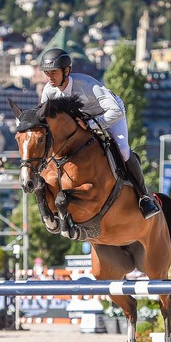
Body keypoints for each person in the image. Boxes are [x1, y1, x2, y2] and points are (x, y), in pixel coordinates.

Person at [39, 48, 160, 219]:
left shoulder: (88, 85)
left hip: (109, 115)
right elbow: (45, 120)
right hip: (81, 121)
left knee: (123, 150)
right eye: (46, 73)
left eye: (54, 72)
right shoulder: (49, 91)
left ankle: (144, 197)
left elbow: (115, 111)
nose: (49, 77)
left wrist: (91, 125)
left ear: (66, 71)